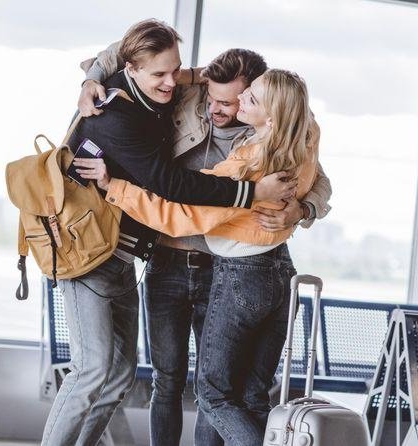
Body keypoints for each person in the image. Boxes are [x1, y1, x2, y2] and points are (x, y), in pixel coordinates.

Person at [39, 19, 297, 446]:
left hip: (146, 258)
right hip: (101, 255)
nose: (171, 82)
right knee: (105, 371)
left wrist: (299, 205)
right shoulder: (113, 113)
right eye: (158, 74)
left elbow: (313, 175)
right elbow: (172, 186)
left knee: (130, 376)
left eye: (175, 71)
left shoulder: (260, 133)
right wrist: (252, 193)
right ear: (132, 69)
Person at [77, 68, 320, 446]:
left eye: (247, 98)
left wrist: (113, 186)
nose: (234, 104)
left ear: (272, 115)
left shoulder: (246, 167)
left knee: (214, 394)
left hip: (238, 275)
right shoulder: (304, 141)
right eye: (220, 98)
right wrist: (92, 78)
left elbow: (177, 214)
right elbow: (129, 56)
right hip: (277, 272)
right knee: (246, 394)